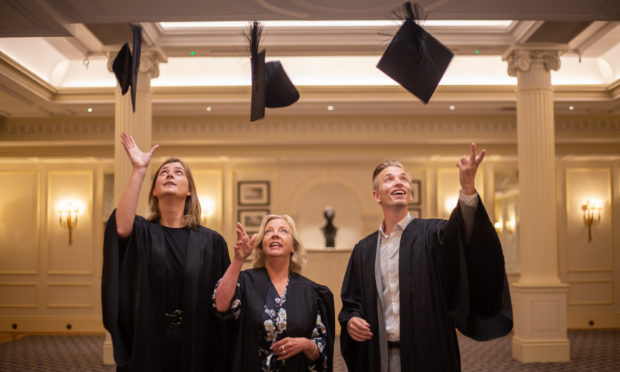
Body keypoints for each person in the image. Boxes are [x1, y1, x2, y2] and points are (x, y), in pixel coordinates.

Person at [339, 143, 513, 372]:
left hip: (429, 353)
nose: (399, 182)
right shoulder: (364, 249)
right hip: (378, 355)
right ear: (376, 195)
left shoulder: (433, 234)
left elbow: (464, 236)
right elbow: (352, 302)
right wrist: (352, 320)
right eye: (389, 179)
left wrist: (468, 188)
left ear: (410, 192)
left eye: (404, 179)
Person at [102, 133, 230, 372]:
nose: (170, 174)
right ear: (153, 191)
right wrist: (139, 169)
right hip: (148, 341)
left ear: (190, 190)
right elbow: (120, 227)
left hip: (196, 344)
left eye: (178, 172)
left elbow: (223, 303)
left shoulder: (211, 242)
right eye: (163, 172)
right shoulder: (142, 232)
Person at [214, 214, 335, 371]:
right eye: (269, 231)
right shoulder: (244, 282)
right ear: (262, 245)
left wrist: (306, 344)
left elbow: (322, 348)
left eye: (283, 231)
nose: (275, 234)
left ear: (293, 247)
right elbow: (221, 306)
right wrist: (239, 259)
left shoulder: (311, 292)